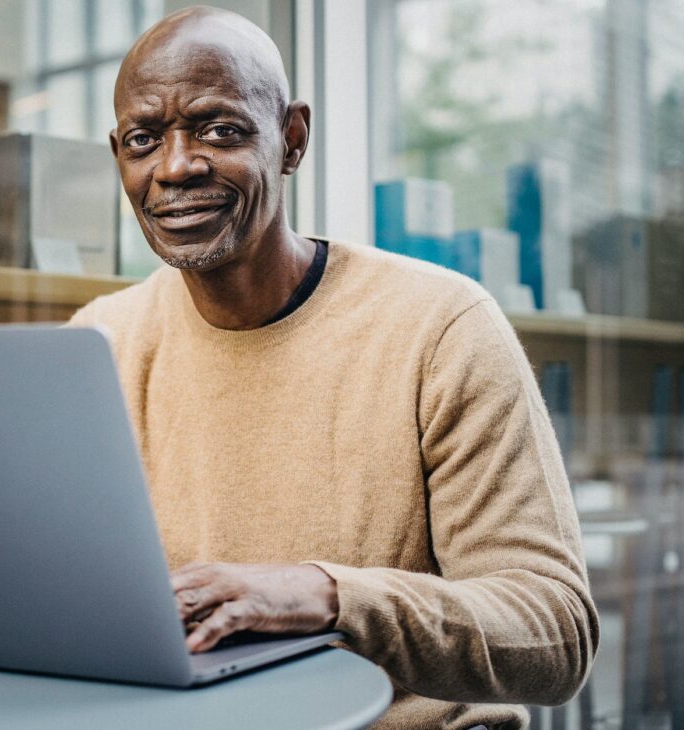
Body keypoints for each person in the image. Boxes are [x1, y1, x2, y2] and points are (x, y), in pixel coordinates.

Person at [68, 6, 598, 729]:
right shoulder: (99, 340)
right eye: (142, 139)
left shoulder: (439, 326)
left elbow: (554, 633)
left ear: (290, 139)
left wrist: (327, 596)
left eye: (220, 129)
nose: (176, 166)